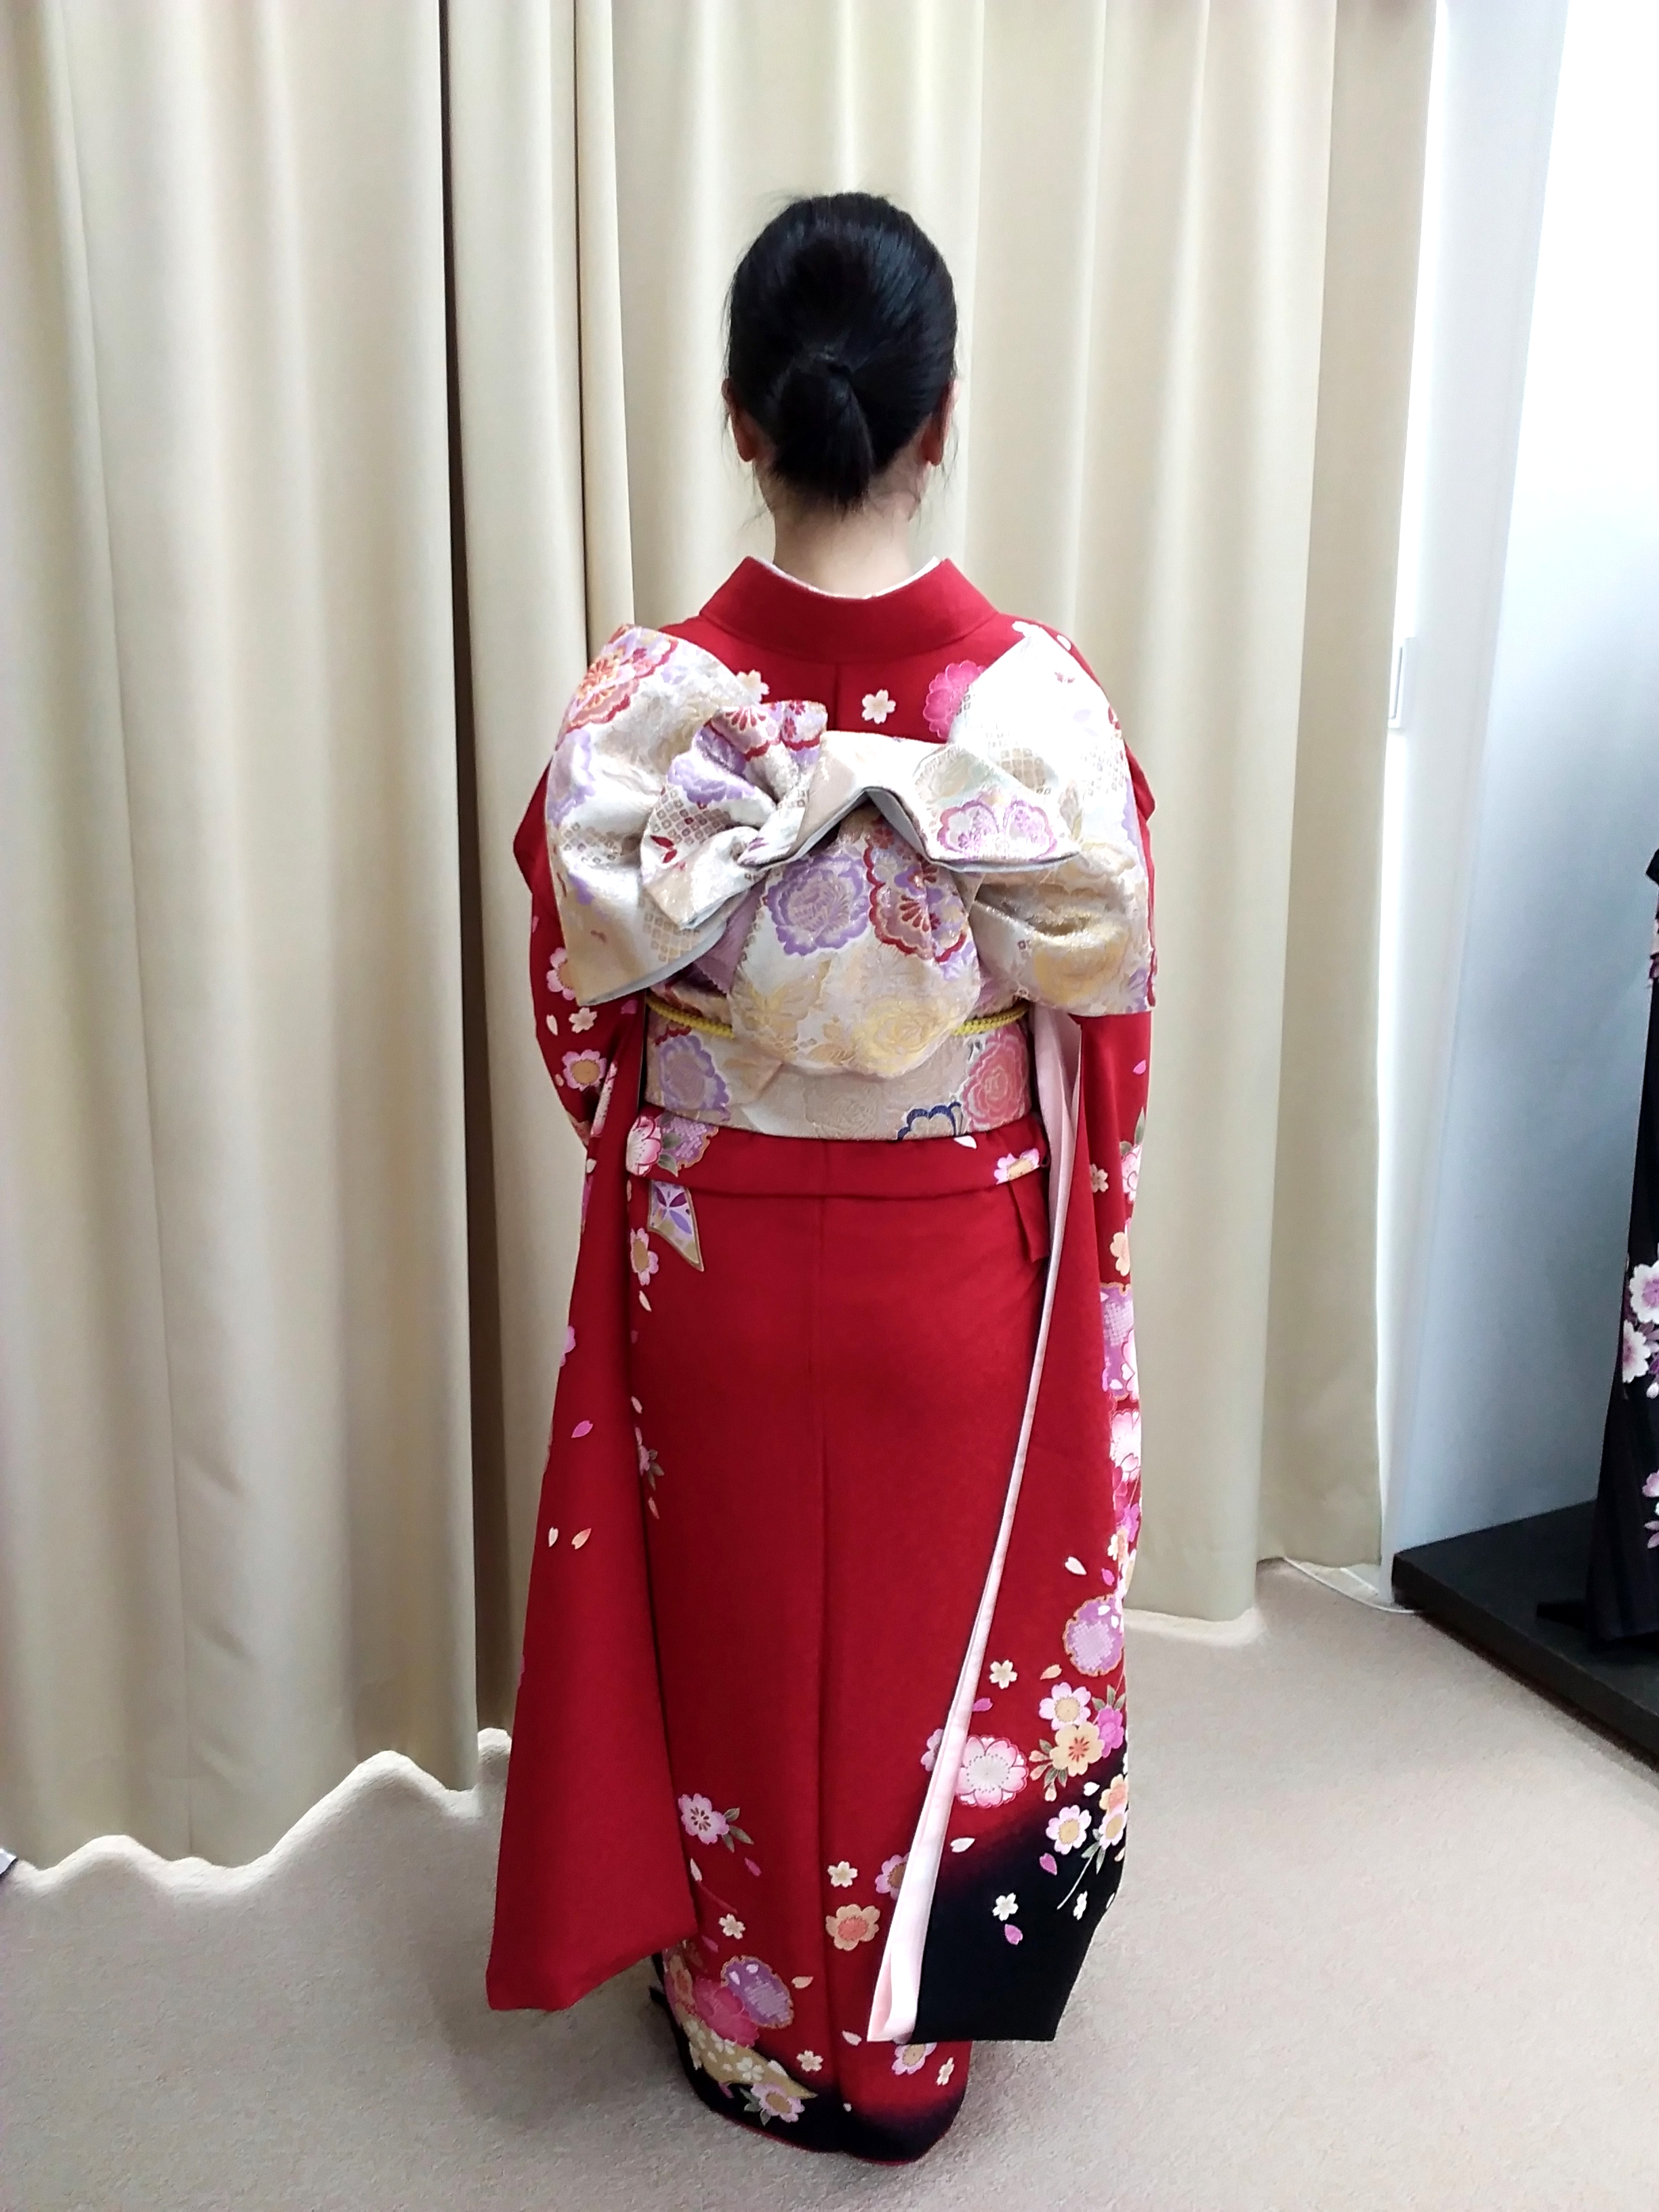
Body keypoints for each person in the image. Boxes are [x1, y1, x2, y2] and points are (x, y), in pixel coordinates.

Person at [487, 192, 1154, 2165]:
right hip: (959, 1253)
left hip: (713, 1251)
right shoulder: (1039, 705)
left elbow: (580, 1011)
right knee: (935, 1635)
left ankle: (751, 2025)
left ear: (741, 417)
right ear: (940, 420)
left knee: (738, 1619)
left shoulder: (648, 707)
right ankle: (911, 2040)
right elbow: (1109, 1028)